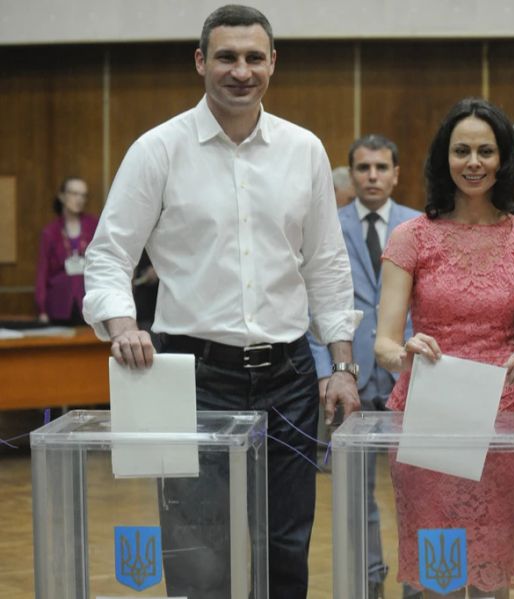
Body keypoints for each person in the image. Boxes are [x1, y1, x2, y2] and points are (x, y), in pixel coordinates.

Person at [82, 5, 360, 598]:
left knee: (285, 547)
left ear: (272, 64)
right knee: (198, 551)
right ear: (201, 61)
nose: (241, 71)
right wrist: (124, 323)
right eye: (227, 57)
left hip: (287, 376)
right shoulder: (158, 150)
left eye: (254, 58)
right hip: (191, 376)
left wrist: (341, 365)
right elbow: (108, 255)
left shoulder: (303, 149)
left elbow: (327, 267)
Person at [374, 98, 514, 598]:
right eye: (462, 151)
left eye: (486, 151)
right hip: (431, 417)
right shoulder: (411, 238)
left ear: (504, 160)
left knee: (490, 579)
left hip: (505, 423)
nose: (474, 162)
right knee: (439, 578)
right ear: (445, 158)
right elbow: (384, 343)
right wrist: (405, 352)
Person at [310, 133, 421, 599]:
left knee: (419, 489)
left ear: (396, 173)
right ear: (351, 175)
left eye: (381, 167)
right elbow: (313, 306)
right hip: (347, 374)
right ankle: (369, 580)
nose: (372, 176)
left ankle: (420, 581)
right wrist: (325, 371)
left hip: (410, 374)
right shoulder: (328, 225)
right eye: (363, 168)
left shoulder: (419, 226)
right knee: (355, 492)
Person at [35, 176, 98, 325]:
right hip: (59, 302)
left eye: (83, 195)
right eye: (74, 194)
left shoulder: (94, 225)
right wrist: (41, 309)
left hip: (89, 301)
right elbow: (42, 272)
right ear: (62, 196)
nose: (79, 199)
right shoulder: (50, 232)